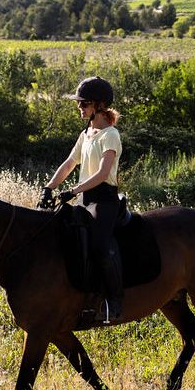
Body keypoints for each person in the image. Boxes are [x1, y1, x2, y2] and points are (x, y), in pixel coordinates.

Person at [37, 76, 124, 323]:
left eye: (83, 103)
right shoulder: (86, 133)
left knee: (99, 245)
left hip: (104, 201)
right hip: (84, 198)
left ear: (99, 104)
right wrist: (49, 186)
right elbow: (69, 163)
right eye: (79, 103)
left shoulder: (110, 135)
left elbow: (102, 174)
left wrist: (72, 191)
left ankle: (114, 300)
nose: (79, 107)